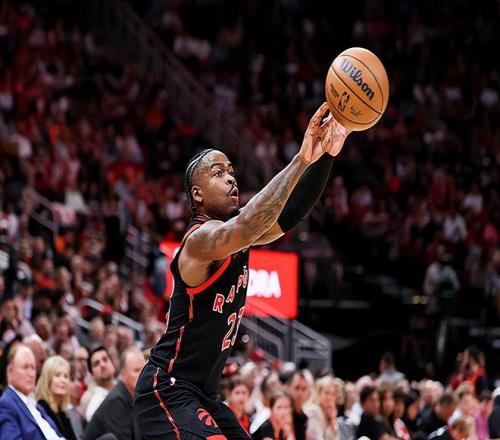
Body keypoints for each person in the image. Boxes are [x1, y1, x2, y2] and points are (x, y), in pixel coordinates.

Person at [134, 102, 350, 439]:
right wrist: (301, 159)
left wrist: (326, 155)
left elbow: (290, 214)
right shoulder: (199, 241)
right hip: (167, 388)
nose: (230, 177)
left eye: (231, 170)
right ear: (197, 195)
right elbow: (248, 224)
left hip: (203, 393)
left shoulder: (239, 237)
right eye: (218, 173)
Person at [0, 344, 64, 439]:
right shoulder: (5, 404)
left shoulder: (38, 407)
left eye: (33, 368)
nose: (31, 374)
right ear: (10, 371)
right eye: (25, 367)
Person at [84, 347, 145, 440]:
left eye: (144, 370)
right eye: (136, 370)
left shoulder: (130, 395)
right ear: (123, 374)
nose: (142, 375)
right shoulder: (116, 402)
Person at [35, 355, 78, 439]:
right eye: (57, 375)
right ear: (47, 379)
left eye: (66, 376)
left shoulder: (62, 413)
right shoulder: (40, 410)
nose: (63, 380)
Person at [80, 345, 116, 422]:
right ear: (92, 374)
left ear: (113, 363)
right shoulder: (95, 405)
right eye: (96, 364)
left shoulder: (125, 387)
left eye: (105, 359)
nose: (102, 365)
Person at [305, 375, 339, 440]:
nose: (330, 398)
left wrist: (333, 422)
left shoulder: (331, 414)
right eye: (326, 393)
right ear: (319, 394)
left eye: (333, 394)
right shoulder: (314, 411)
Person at [287, 371, 311, 440]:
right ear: (289, 388)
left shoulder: (305, 418)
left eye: (304, 389)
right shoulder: (284, 414)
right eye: (297, 388)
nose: (300, 393)